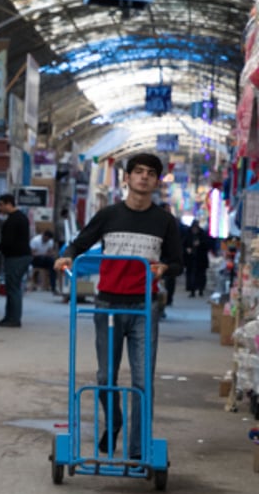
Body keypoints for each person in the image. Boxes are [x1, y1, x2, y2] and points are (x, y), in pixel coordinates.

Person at [54, 153, 183, 460]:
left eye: (151, 173)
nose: (144, 177)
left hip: (145, 307)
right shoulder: (109, 215)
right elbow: (80, 242)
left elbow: (178, 262)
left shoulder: (164, 221)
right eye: (138, 172)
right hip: (107, 305)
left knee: (142, 380)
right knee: (104, 378)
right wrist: (67, 255)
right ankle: (113, 423)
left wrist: (164, 269)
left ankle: (137, 450)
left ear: (156, 182)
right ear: (126, 178)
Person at [0, 193, 31, 328]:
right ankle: (9, 316)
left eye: (1, 204)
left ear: (8, 204)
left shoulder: (14, 220)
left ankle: (14, 318)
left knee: (14, 288)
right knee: (11, 287)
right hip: (18, 256)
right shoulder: (19, 217)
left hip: (16, 257)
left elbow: (8, 241)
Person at [184, 219, 211, 297]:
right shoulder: (188, 234)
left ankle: (200, 290)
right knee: (191, 274)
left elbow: (207, 244)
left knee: (201, 275)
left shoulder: (202, 234)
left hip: (201, 258)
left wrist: (200, 244)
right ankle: (192, 290)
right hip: (191, 258)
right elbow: (184, 243)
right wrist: (187, 249)